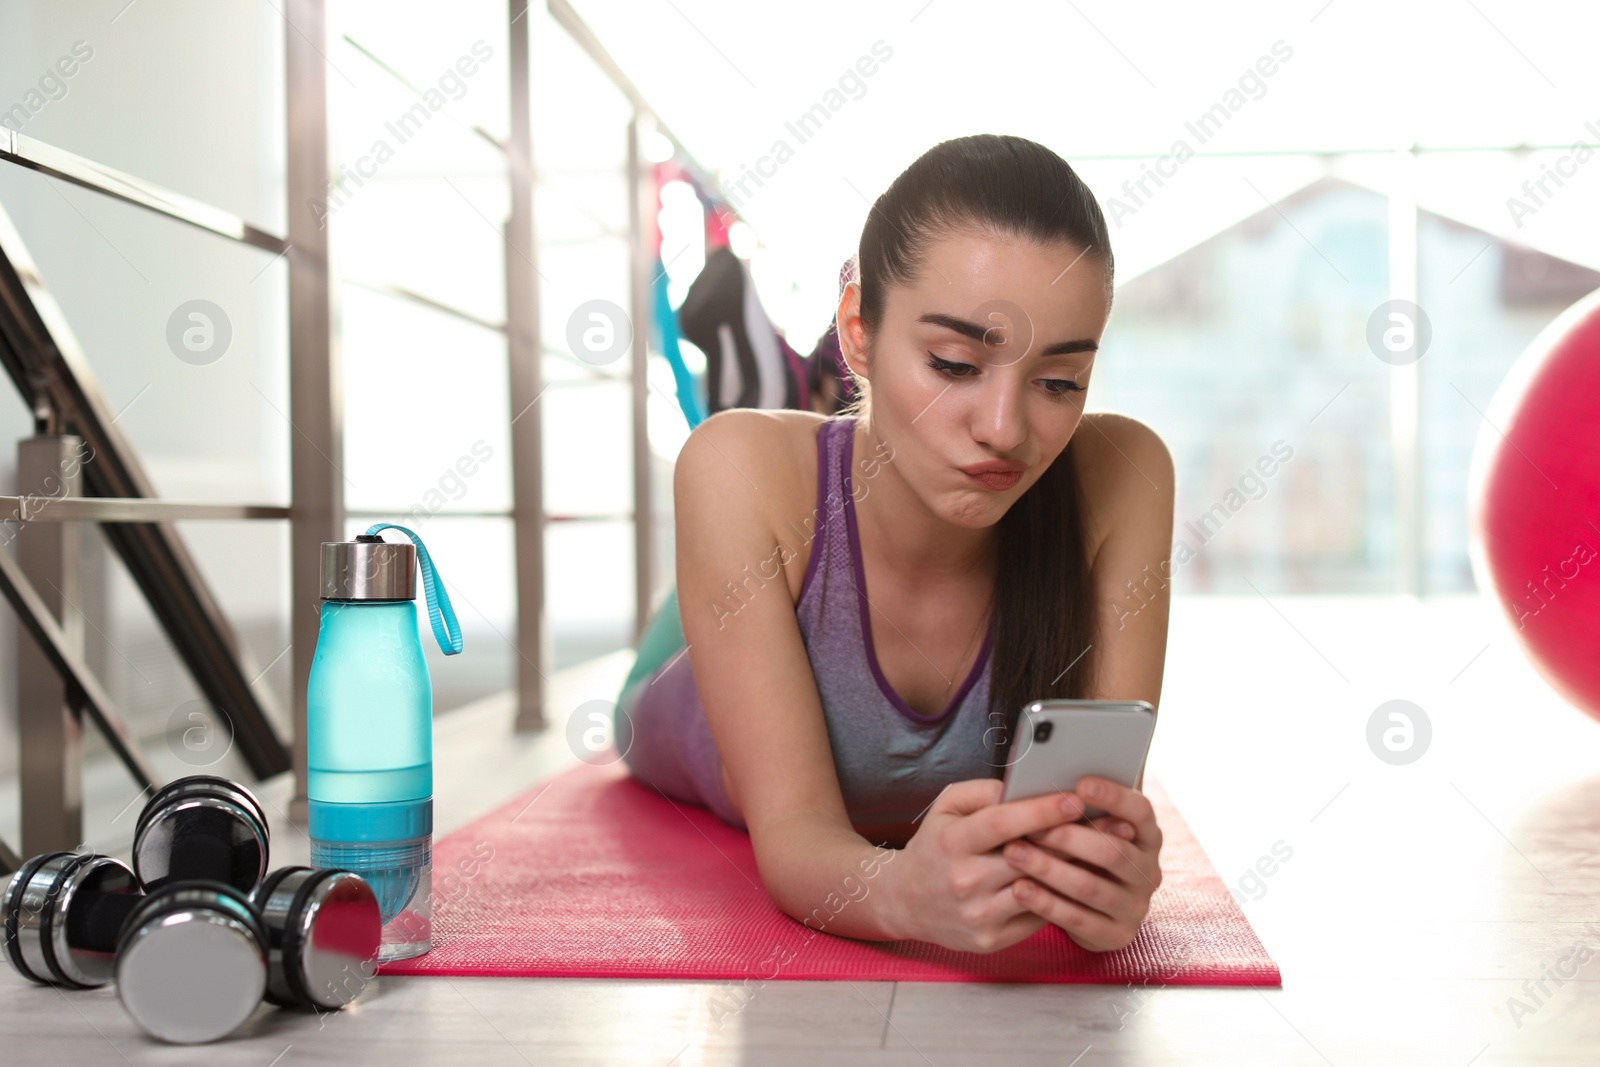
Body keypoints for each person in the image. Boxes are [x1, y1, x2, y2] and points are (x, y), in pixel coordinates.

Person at [613, 133, 1174, 955]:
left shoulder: (1125, 475)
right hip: (702, 650)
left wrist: (1107, 880)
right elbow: (797, 831)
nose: (1004, 430)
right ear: (857, 330)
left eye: (1060, 382)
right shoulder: (731, 465)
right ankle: (714, 588)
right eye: (953, 363)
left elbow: (1091, 815)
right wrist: (902, 896)